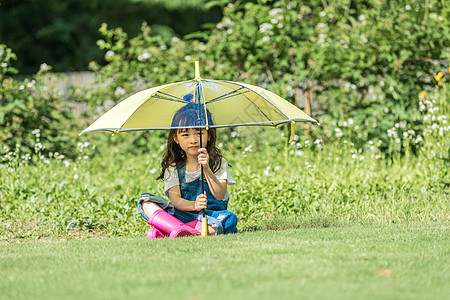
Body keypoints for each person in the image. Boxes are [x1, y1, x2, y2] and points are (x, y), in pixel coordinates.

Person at [137, 95, 238, 239]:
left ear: (209, 135)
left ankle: (168, 231)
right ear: (176, 139)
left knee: (229, 218)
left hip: (211, 216)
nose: (193, 140)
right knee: (145, 201)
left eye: (199, 133)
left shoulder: (218, 162)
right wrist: (194, 205)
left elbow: (219, 195)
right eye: (185, 134)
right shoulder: (173, 168)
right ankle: (181, 230)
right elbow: (176, 200)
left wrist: (207, 170)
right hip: (183, 214)